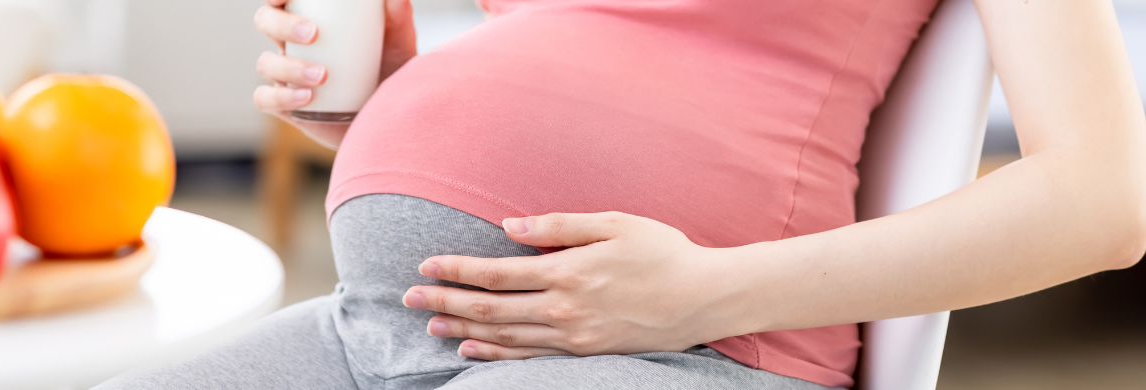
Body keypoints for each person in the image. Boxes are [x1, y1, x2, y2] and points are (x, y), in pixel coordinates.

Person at [98, 0, 1146, 389]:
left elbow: (1102, 198)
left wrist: (703, 294)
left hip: (680, 353)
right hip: (375, 327)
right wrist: (378, 106)